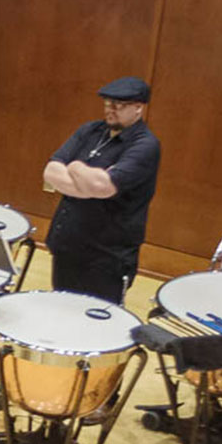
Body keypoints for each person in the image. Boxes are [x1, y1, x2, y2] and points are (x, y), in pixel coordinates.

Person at [42, 76, 161, 305]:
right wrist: (87, 183)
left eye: (119, 106)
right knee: (60, 310)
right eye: (108, 104)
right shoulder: (90, 130)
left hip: (105, 258)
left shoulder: (145, 145)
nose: (111, 110)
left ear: (138, 107)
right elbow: (51, 171)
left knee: (96, 322)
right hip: (68, 244)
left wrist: (75, 166)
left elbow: (103, 187)